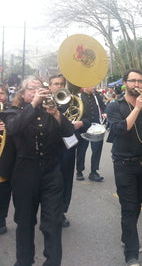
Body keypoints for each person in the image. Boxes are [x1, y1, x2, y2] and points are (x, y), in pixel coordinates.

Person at [4, 76, 74, 266]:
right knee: (25, 223)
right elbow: (12, 128)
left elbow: (69, 134)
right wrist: (34, 104)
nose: (36, 92)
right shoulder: (13, 111)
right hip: (25, 173)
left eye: (39, 89)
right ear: (23, 92)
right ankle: (24, 262)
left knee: (53, 224)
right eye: (31, 89)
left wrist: (58, 115)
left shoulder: (51, 110)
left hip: (51, 173)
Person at [106, 69, 142, 266]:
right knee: (128, 207)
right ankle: (131, 254)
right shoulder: (115, 106)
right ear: (125, 83)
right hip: (124, 164)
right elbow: (119, 130)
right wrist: (138, 108)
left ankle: (127, 237)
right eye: (133, 81)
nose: (137, 85)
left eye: (140, 81)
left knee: (137, 205)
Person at [48, 74, 78, 228]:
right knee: (50, 184)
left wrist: (80, 123)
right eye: (55, 84)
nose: (58, 86)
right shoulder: (44, 104)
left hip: (67, 148)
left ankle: (61, 212)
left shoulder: (71, 102)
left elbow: (86, 120)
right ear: (49, 87)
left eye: (61, 84)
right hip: (49, 149)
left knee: (66, 182)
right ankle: (50, 212)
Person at [76, 86, 107, 182]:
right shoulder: (79, 97)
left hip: (97, 127)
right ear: (85, 86)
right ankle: (79, 171)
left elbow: (104, 107)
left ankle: (94, 172)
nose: (94, 87)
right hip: (83, 127)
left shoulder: (97, 96)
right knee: (81, 150)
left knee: (97, 150)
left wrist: (105, 113)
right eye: (92, 85)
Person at [0, 84, 13, 234]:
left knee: (4, 190)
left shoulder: (10, 111)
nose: (0, 96)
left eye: (2, 93)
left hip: (5, 157)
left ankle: (1, 218)